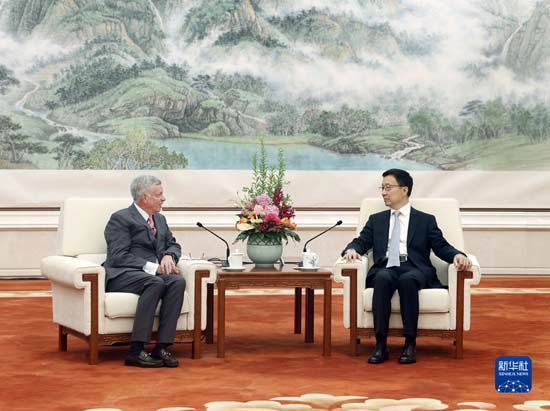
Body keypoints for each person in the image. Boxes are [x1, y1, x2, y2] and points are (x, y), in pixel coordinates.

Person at [342, 169, 471, 364]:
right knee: (383, 278)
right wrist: (352, 249)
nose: (383, 192)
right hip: (386, 266)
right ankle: (380, 344)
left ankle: (410, 343)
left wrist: (457, 255)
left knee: (408, 280)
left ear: (404, 190)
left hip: (414, 268)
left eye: (388, 187)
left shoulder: (425, 220)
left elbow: (441, 246)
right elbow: (361, 241)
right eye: (382, 188)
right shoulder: (377, 220)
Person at [104, 175, 185, 368]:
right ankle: (136, 350)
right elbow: (118, 256)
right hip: (122, 274)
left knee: (177, 281)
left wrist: (169, 256)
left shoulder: (160, 219)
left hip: (149, 274)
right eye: (159, 194)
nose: (163, 198)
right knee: (155, 281)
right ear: (145, 197)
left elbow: (173, 244)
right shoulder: (121, 218)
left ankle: (162, 347)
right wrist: (153, 267)